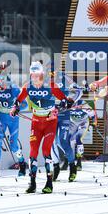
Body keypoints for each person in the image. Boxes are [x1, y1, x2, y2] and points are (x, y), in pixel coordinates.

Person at [10, 61, 74, 194]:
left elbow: (63, 100)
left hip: (50, 123)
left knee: (46, 151)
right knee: (33, 152)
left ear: (42, 75)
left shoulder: (50, 85)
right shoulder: (28, 87)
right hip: (36, 123)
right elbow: (17, 100)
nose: (35, 78)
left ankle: (49, 183)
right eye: (33, 75)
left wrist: (65, 104)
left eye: (38, 75)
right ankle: (32, 183)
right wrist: (15, 108)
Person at [0, 64, 27, 177]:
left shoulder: (13, 88)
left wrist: (17, 108)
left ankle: (22, 163)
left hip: (12, 119)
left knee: (13, 145)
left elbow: (25, 104)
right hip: (1, 117)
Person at [51, 70, 83, 181]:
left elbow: (79, 91)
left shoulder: (64, 79)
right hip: (51, 115)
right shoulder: (44, 81)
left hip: (64, 115)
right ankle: (55, 166)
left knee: (63, 141)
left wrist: (71, 101)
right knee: (51, 142)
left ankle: (72, 166)